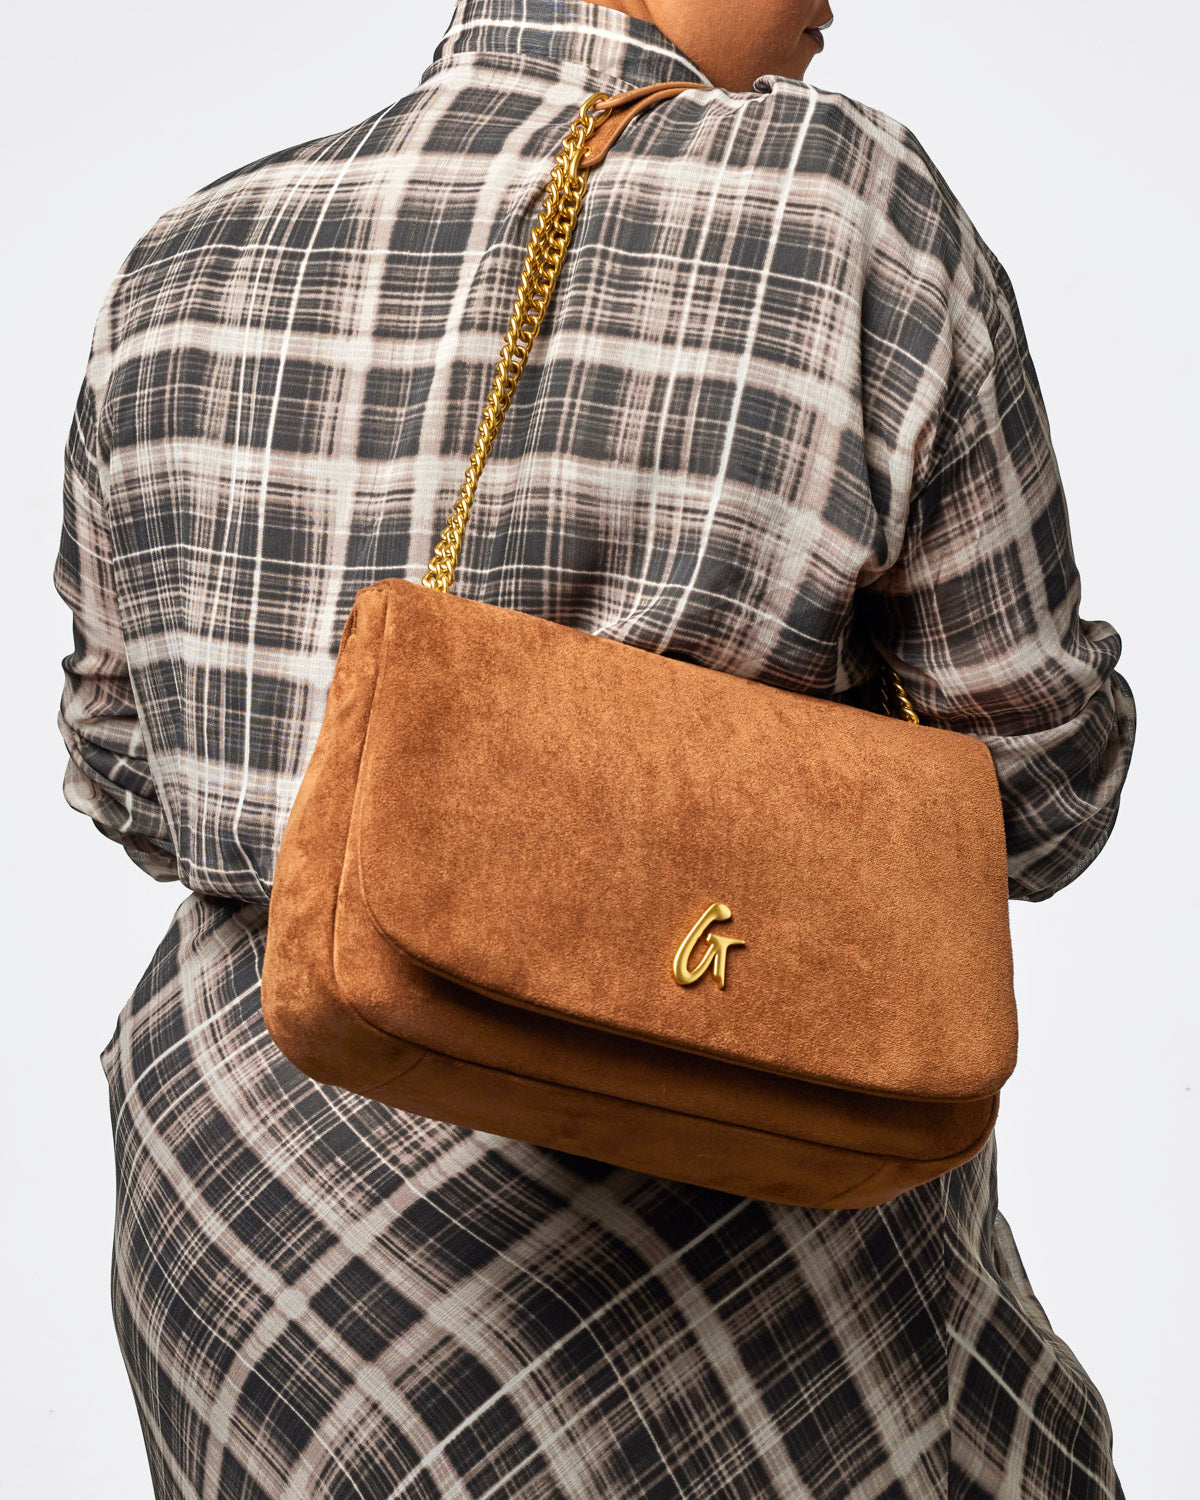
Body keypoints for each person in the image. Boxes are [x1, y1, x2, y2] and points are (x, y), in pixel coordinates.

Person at [53, 1, 1136, 1495]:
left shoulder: (178, 260)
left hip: (252, 1249)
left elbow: (124, 769)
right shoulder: (844, 206)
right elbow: (1040, 792)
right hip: (707, 1274)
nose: (835, 4)